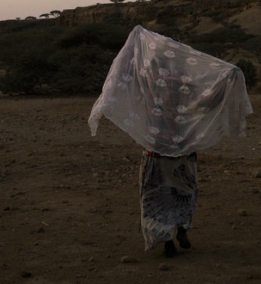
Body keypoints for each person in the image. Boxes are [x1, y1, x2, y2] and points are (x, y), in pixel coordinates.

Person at [89, 25, 252, 257]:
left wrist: (132, 45)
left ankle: (167, 239)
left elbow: (122, 79)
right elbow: (206, 102)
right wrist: (230, 79)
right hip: (183, 145)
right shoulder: (186, 83)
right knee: (184, 189)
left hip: (157, 147)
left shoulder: (148, 81)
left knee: (156, 194)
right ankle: (181, 229)